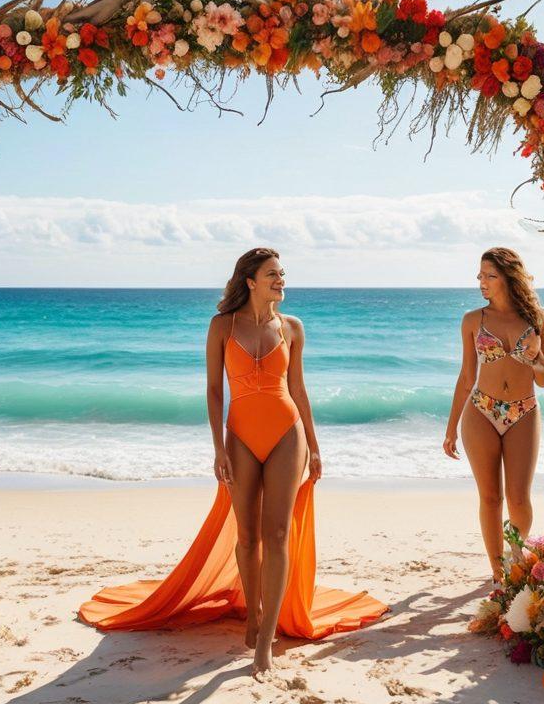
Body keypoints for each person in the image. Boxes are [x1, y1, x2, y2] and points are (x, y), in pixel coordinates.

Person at [79, 248, 387, 678]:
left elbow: (298, 388)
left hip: (287, 433)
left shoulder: (292, 327)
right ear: (250, 280)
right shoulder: (221, 326)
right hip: (240, 437)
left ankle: (265, 639)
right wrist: (219, 448)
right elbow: (212, 390)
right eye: (273, 275)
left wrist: (314, 447)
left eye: (283, 274)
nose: (281, 280)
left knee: (277, 532)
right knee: (247, 536)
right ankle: (255, 613)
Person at [444, 248, 544, 583]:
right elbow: (466, 377)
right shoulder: (473, 320)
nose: (482, 282)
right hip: (481, 410)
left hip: (524, 410)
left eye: (489, 275)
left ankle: (514, 557)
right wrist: (450, 429)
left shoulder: (537, 318)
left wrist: (534, 357)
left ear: (508, 277)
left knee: (519, 500)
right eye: (480, 275)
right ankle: (497, 574)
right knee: (491, 497)